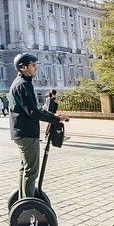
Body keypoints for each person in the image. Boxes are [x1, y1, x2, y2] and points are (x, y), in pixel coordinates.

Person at [9, 53, 68, 199]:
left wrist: (53, 116)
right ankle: (28, 205)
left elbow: (34, 109)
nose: (36, 68)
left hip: (22, 132)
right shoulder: (22, 84)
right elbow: (33, 112)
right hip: (27, 133)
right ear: (23, 67)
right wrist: (55, 119)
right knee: (31, 171)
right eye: (33, 65)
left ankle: (24, 200)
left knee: (25, 170)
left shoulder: (22, 82)